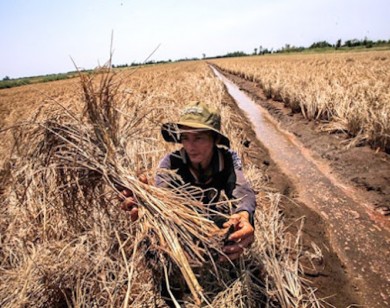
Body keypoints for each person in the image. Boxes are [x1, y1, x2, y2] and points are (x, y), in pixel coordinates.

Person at [121, 101, 256, 261]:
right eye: (185, 137)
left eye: (198, 138)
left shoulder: (226, 159)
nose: (190, 146)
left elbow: (241, 188)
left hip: (211, 212)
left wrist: (243, 214)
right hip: (184, 216)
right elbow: (164, 193)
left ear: (214, 139)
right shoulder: (170, 164)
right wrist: (148, 201)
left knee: (234, 227)